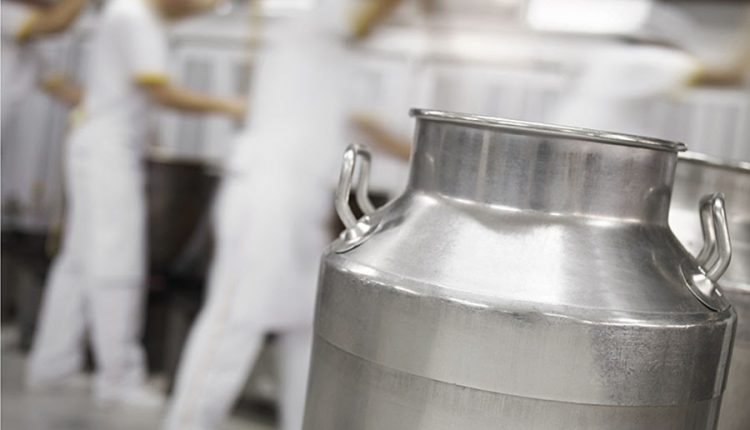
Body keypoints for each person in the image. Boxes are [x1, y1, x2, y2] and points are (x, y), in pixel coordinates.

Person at [162, 1, 412, 429]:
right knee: (235, 319)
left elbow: (362, 121)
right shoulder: (314, 19)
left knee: (305, 324)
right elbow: (368, 14)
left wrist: (433, 158)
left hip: (299, 205)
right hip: (266, 198)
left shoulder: (336, 58)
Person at [26, 0, 246, 407]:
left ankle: (52, 364)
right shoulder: (135, 16)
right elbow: (159, 90)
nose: (205, 6)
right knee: (117, 262)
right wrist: (231, 105)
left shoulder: (128, 14)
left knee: (78, 261)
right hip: (107, 151)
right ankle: (120, 378)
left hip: (96, 144)